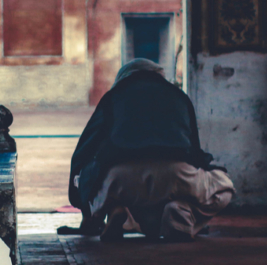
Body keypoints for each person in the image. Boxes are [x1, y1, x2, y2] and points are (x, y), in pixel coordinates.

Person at [64, 58, 235, 242]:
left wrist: (86, 211)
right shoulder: (178, 96)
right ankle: (181, 216)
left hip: (119, 178)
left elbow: (85, 152)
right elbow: (193, 150)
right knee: (225, 186)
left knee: (87, 177)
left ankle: (115, 212)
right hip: (176, 173)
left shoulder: (113, 97)